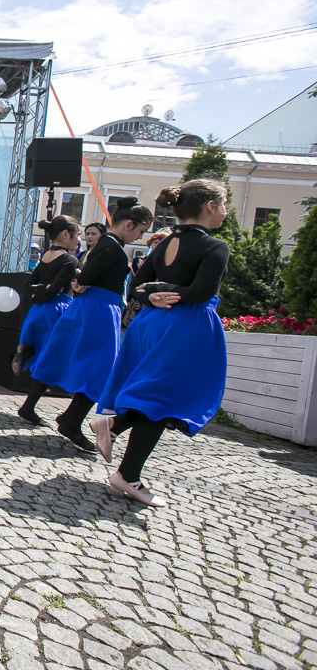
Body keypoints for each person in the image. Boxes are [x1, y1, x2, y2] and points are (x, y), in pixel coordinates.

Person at [90, 180, 230, 507]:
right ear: (210, 206)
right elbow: (201, 293)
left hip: (150, 324)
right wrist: (167, 291)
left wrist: (154, 291)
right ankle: (116, 437)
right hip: (185, 326)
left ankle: (124, 462)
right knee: (162, 400)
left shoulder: (161, 246)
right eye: (223, 204)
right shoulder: (215, 247)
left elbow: (135, 287)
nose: (225, 211)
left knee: (156, 399)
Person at [20, 198, 154, 450]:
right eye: (140, 230)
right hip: (99, 311)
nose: (139, 236)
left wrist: (80, 283)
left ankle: (61, 415)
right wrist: (81, 283)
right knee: (100, 369)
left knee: (62, 358)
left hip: (92, 308)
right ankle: (71, 420)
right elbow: (86, 276)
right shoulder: (112, 247)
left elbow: (84, 276)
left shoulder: (107, 245)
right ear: (128, 224)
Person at [11, 215, 81, 391]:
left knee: (42, 347)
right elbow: (54, 290)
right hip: (59, 309)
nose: (79, 239)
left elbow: (28, 286)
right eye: (77, 234)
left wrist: (39, 293)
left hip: (38, 309)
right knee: (54, 353)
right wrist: (47, 289)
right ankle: (44, 384)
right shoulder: (70, 260)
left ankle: (28, 352)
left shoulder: (45, 257)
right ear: (66, 234)